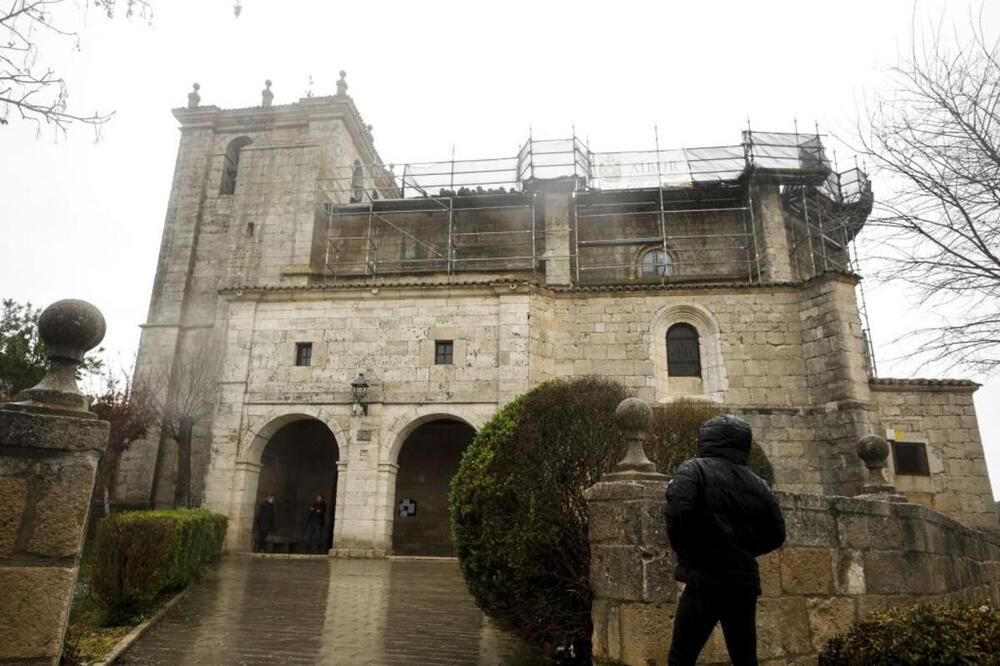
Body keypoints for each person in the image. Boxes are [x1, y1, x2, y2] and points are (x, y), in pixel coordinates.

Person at [664, 414, 785, 666]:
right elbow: (775, 534)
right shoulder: (759, 483)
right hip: (743, 582)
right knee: (744, 658)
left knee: (681, 657)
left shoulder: (693, 469)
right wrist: (742, 550)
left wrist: (690, 550)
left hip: (704, 579)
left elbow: (677, 512)